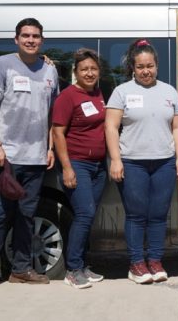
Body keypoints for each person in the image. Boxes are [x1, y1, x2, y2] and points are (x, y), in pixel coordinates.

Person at [0, 18, 59, 295]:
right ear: (16, 39)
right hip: (6, 156)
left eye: (35, 36)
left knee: (26, 216)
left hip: (36, 157)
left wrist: (49, 148)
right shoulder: (2, 65)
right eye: (25, 35)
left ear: (42, 40)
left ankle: (20, 270)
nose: (30, 40)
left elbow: (51, 113)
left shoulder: (49, 70)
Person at [104, 39, 178, 284]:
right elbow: (110, 126)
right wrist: (115, 160)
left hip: (164, 163)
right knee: (137, 215)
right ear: (133, 68)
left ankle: (156, 261)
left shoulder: (169, 91)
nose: (145, 71)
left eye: (149, 66)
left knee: (159, 215)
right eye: (140, 67)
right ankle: (136, 263)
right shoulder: (122, 92)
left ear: (156, 66)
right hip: (133, 163)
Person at [52, 48, 107, 289]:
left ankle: (83, 265)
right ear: (75, 72)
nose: (89, 72)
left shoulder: (98, 94)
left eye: (93, 68)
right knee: (84, 214)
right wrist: (67, 167)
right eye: (84, 69)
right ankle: (73, 269)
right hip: (77, 163)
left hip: (98, 166)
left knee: (88, 215)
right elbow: (58, 133)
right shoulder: (68, 96)